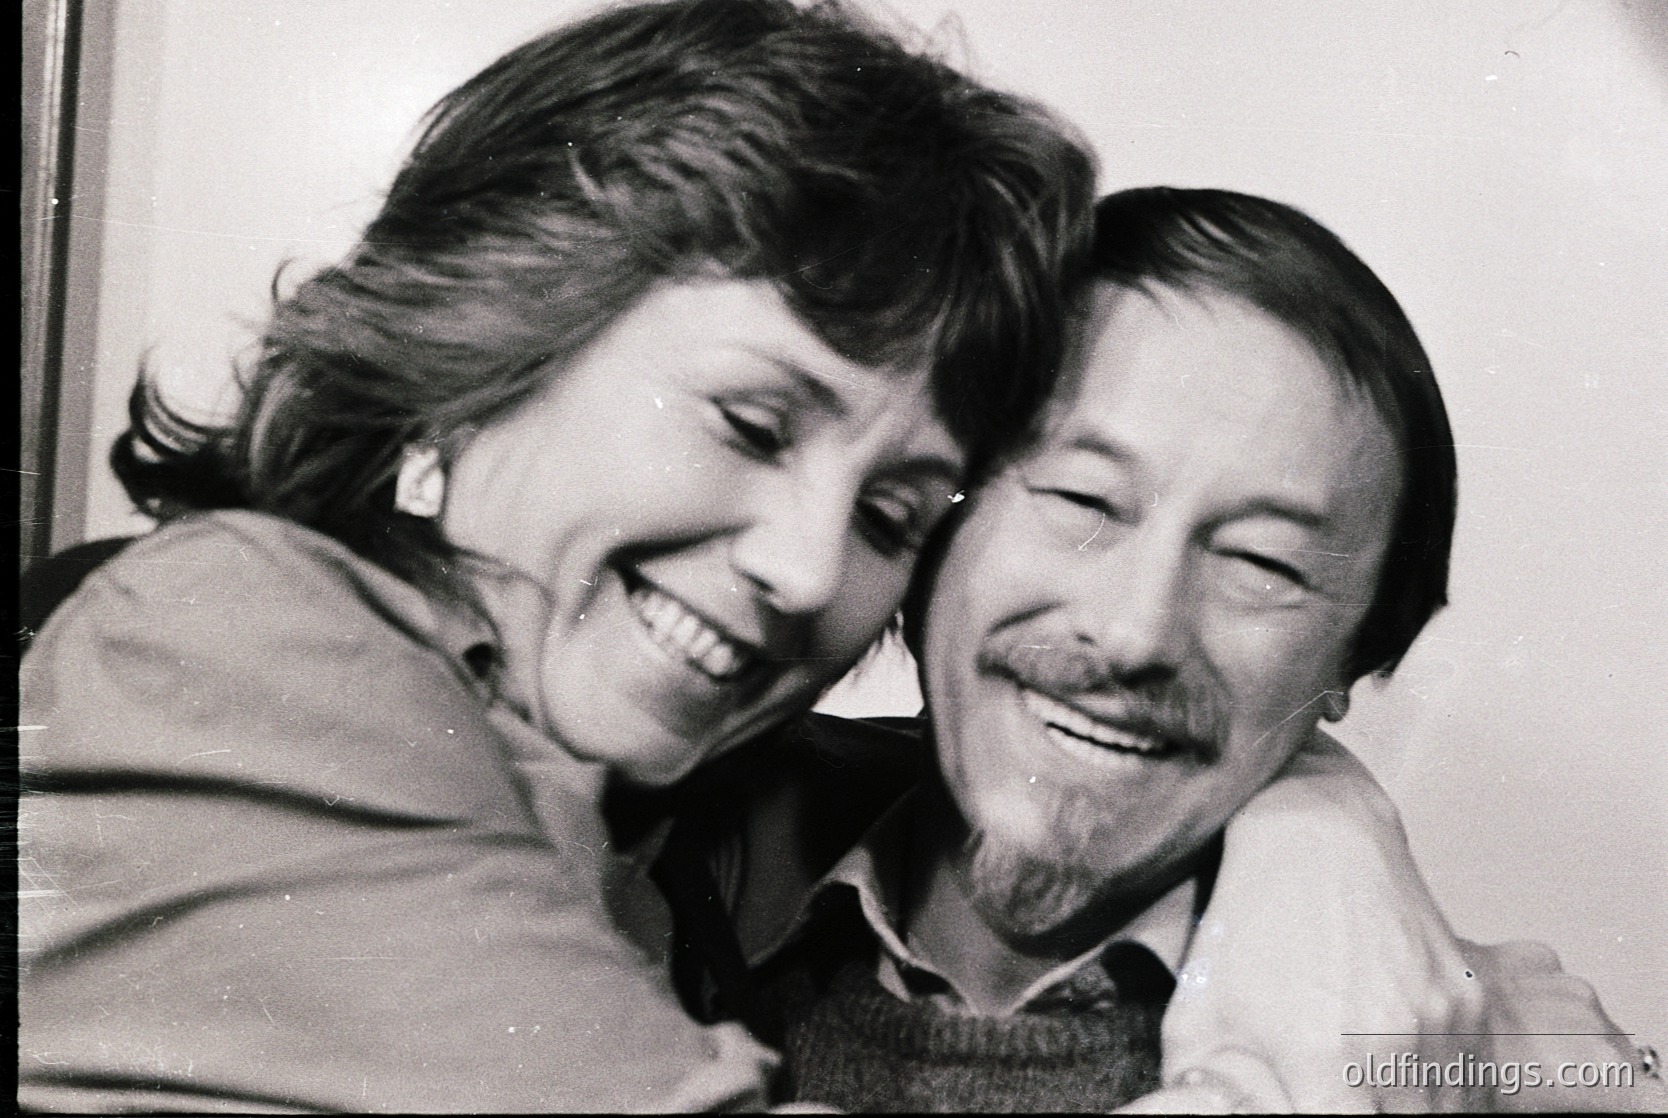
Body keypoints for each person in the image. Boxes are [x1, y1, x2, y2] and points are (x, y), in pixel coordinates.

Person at [16, 1, 1096, 1110]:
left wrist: (1284, 834)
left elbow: (1080, 778)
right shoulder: (223, 639)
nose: (812, 569)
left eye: (890, 516)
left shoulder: (679, 800)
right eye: (753, 424)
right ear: (481, 355)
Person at [632, 188, 1659, 1112]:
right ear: (937, 516)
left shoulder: (1439, 1053)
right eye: (1083, 499)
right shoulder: (669, 859)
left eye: (1263, 562)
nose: (1133, 632)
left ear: (1355, 660)